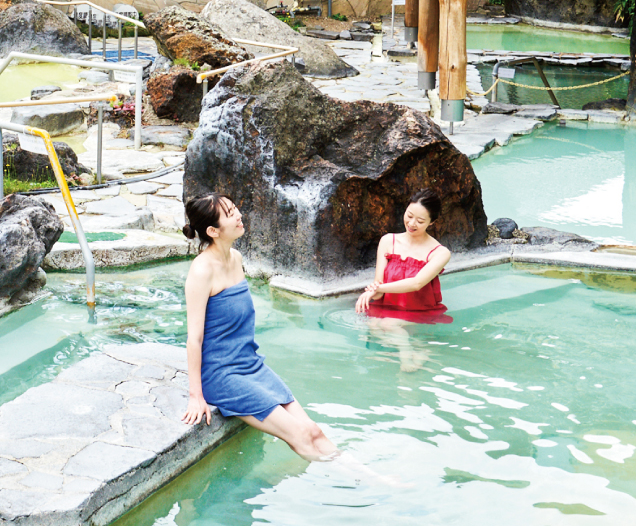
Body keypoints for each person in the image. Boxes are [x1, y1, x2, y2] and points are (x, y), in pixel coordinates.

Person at [179, 192, 343, 462]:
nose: (239, 215)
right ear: (213, 230)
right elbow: (194, 339)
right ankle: (354, 488)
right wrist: (196, 395)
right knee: (300, 435)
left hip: (250, 364)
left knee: (313, 430)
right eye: (230, 214)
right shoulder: (201, 270)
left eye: (235, 208)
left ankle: (369, 477)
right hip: (222, 375)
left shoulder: (236, 258)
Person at [355, 189, 452, 323]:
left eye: (420, 221)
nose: (412, 223)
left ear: (431, 222)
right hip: (386, 307)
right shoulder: (387, 241)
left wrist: (378, 288)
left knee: (390, 325)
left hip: (416, 311)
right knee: (374, 325)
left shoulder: (440, 253)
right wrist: (372, 292)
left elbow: (416, 283)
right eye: (409, 215)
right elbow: (379, 286)